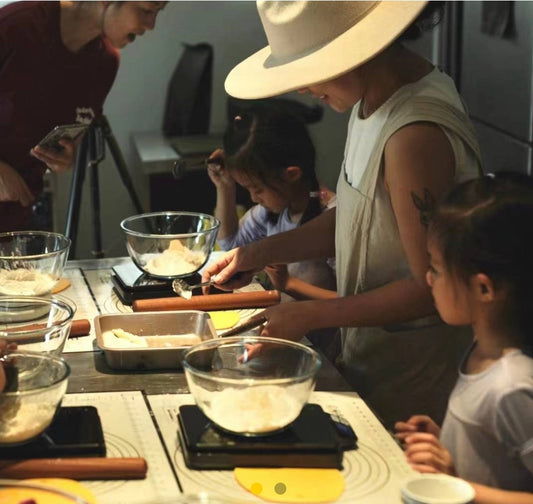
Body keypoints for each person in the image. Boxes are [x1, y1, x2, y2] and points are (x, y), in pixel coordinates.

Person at [203, 1, 483, 428]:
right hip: (372, 359)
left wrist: (308, 314)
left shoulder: (413, 134)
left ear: (359, 48)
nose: (301, 88)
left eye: (311, 66)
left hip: (413, 379)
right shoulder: (371, 103)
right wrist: (254, 254)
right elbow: (356, 218)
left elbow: (432, 288)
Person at [395, 173, 533, 503]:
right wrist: (446, 446)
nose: (429, 278)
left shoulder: (514, 385)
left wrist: (459, 485)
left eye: (438, 269)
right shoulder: (481, 354)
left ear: (483, 288)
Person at [0, 1, 166, 232]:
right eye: (147, 10)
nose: (151, 25)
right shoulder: (15, 25)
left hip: (15, 219)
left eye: (158, 12)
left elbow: (70, 135)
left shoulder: (105, 63)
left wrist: (64, 158)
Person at [207, 104, 337, 300]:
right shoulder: (271, 213)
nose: (253, 198)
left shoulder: (332, 219)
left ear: (291, 174)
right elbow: (229, 244)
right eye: (247, 189)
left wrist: (288, 284)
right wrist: (225, 187)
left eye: (257, 189)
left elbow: (355, 304)